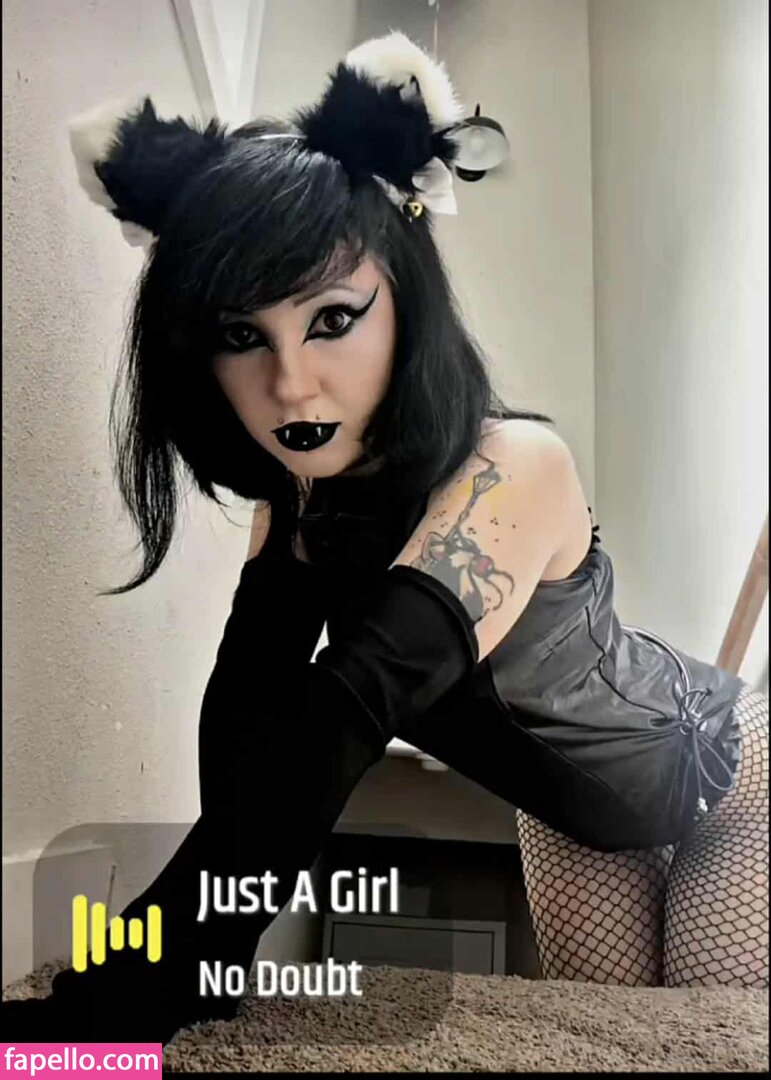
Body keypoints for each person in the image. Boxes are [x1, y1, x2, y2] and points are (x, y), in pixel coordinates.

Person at [2, 30, 767, 1047]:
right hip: (576, 818)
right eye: (241, 336)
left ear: (405, 301)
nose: (290, 385)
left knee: (713, 1033)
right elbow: (252, 728)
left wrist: (108, 1010)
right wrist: (206, 964)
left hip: (727, 782)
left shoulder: (513, 466)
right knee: (614, 1040)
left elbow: (340, 721)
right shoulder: (300, 501)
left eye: (331, 319)